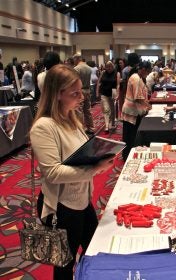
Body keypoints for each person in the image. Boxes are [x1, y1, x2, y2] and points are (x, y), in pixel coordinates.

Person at [30, 64, 115, 280]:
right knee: (64, 266)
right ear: (57, 95)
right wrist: (94, 169)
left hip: (81, 199)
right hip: (61, 206)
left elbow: (80, 154)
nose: (82, 97)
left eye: (80, 91)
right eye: (74, 93)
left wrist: (100, 153)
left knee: (94, 251)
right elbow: (53, 173)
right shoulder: (43, 127)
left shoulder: (71, 118)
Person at [121, 61, 152, 160]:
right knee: (129, 135)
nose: (147, 74)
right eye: (147, 72)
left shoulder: (137, 77)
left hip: (134, 110)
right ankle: (126, 156)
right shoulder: (136, 78)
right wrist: (148, 106)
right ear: (143, 69)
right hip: (132, 111)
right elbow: (138, 98)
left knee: (130, 135)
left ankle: (127, 154)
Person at [73, 54, 95, 134]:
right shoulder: (88, 68)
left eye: (74, 59)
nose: (74, 61)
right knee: (88, 110)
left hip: (80, 91)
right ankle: (91, 128)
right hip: (87, 90)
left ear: (77, 59)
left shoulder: (76, 68)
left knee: (79, 111)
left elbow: (75, 82)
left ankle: (81, 129)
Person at [96, 61, 120, 133]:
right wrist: (97, 92)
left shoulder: (117, 73)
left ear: (113, 66)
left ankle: (112, 122)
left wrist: (117, 93)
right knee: (106, 109)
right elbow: (98, 82)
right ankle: (106, 126)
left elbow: (118, 84)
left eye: (110, 66)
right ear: (105, 67)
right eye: (107, 66)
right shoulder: (103, 72)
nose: (109, 68)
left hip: (112, 93)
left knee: (112, 109)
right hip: (104, 93)